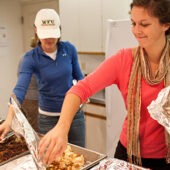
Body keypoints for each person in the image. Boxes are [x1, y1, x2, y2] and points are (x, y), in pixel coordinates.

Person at [38, 0, 170, 169]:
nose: (136, 31)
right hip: (127, 155)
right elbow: (80, 89)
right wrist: (62, 128)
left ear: (165, 24)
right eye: (133, 23)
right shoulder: (123, 60)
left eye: (144, 24)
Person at [0, 9, 85, 147]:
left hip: (73, 115)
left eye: (53, 34)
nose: (49, 39)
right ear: (36, 30)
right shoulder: (30, 58)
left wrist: (84, 91)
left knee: (79, 157)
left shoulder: (69, 49)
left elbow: (79, 77)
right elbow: (20, 89)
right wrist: (9, 119)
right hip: (48, 119)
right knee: (52, 160)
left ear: (59, 31)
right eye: (45, 35)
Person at [17, 38, 39, 132]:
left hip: (24, 100)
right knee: (35, 132)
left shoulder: (24, 56)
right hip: (34, 101)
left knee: (26, 130)